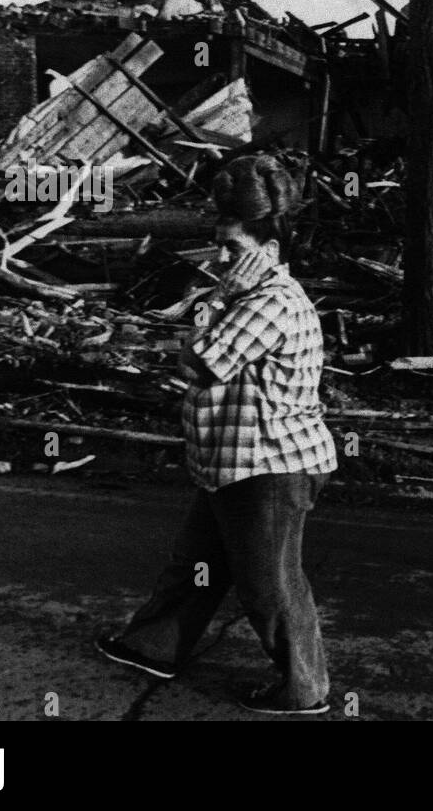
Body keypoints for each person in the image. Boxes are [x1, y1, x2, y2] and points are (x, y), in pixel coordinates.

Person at [96, 155, 337, 715]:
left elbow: (201, 362)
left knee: (270, 585)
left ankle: (305, 687)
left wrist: (214, 306)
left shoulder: (270, 302)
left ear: (270, 251)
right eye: (220, 246)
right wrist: (219, 303)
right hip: (233, 461)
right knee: (195, 561)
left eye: (235, 249)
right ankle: (152, 646)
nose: (221, 259)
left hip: (270, 466)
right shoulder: (246, 299)